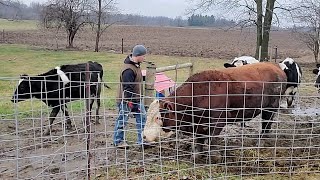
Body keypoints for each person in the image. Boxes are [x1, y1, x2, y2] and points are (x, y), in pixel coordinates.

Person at [113, 44, 148, 149]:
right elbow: (127, 88)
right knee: (122, 119)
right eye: (143, 55)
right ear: (138, 55)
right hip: (127, 100)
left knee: (142, 118)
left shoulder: (136, 65)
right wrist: (130, 103)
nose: (144, 58)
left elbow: (135, 80)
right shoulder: (128, 70)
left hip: (136, 98)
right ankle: (118, 141)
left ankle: (142, 141)